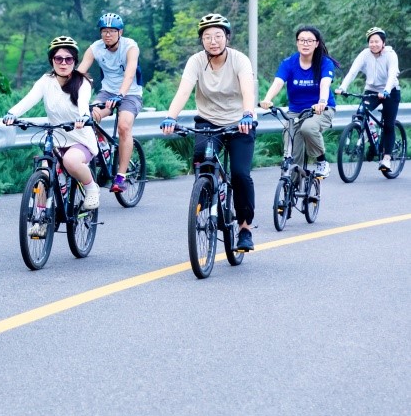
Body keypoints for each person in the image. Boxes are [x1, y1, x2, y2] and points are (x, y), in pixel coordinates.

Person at [159, 13, 258, 251]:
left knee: (241, 175)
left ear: (227, 37)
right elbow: (184, 91)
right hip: (208, 121)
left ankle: (244, 228)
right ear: (202, 41)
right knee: (202, 158)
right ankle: (210, 188)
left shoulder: (239, 60)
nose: (213, 41)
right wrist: (170, 117)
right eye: (207, 37)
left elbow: (247, 90)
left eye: (218, 36)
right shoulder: (195, 61)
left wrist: (247, 114)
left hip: (239, 122)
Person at [2, 36, 101, 230]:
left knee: (71, 161)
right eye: (58, 59)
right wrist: (12, 113)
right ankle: (41, 219)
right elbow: (30, 99)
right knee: (45, 172)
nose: (63, 63)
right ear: (51, 61)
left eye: (69, 59)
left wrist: (82, 117)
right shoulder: (46, 81)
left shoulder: (83, 82)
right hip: (57, 138)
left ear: (74, 61)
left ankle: (91, 188)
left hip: (80, 138)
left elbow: (83, 103)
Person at [78, 12, 144, 193]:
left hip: (130, 93)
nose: (107, 35)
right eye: (104, 31)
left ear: (120, 32)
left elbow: (130, 72)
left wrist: (121, 94)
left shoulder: (130, 46)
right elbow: (80, 72)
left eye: (112, 31)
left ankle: (121, 176)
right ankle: (103, 147)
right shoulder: (95, 48)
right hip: (107, 92)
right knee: (90, 117)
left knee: (123, 126)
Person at [259, 26, 337, 177]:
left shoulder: (324, 63)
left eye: (309, 41)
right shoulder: (289, 63)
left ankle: (321, 161)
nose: (305, 44)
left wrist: (322, 102)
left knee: (308, 128)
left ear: (316, 44)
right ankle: (292, 188)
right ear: (297, 43)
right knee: (291, 152)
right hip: (295, 112)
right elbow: (278, 82)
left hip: (321, 109)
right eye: (302, 40)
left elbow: (325, 84)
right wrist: (267, 99)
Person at [336, 27, 401, 172]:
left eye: (377, 41)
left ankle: (386, 159)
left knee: (388, 125)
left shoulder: (391, 55)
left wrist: (386, 90)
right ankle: (371, 141)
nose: (374, 44)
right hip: (371, 90)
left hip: (390, 91)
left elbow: (392, 75)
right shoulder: (365, 54)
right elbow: (353, 71)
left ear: (383, 42)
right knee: (360, 114)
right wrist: (343, 87)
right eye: (371, 42)